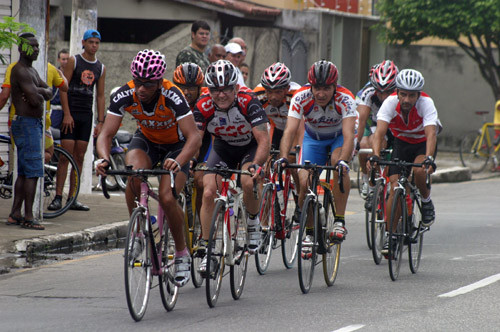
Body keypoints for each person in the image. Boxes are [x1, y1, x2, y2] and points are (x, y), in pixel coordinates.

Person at [96, 49, 201, 287]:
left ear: (159, 81)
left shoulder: (173, 95)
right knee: (133, 174)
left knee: (166, 196)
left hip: (177, 146)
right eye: (138, 82)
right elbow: (106, 133)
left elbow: (194, 137)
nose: (141, 89)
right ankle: (139, 233)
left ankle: (182, 254)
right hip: (147, 141)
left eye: (148, 84)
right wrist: (102, 158)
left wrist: (179, 160)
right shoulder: (125, 93)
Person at [193, 60, 270, 273]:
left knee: (247, 180)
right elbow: (196, 140)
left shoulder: (248, 101)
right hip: (223, 147)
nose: (221, 94)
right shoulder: (203, 105)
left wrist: (256, 165)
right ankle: (209, 252)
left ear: (235, 87)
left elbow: (264, 140)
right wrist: (192, 161)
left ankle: (253, 223)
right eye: (215, 89)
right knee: (208, 192)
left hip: (249, 146)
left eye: (226, 88)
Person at [278, 60, 356, 245]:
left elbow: (348, 135)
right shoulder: (301, 97)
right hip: (313, 139)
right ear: (310, 86)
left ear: (334, 86)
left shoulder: (345, 98)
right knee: (304, 182)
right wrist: (282, 157)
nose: (321, 93)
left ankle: (339, 221)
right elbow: (289, 131)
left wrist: (344, 161)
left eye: (326, 88)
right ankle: (310, 233)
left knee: (339, 164)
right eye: (317, 88)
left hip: (338, 138)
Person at [368, 69, 440, 256]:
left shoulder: (426, 103)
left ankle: (426, 202)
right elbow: (379, 133)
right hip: (401, 143)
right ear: (397, 92)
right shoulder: (390, 103)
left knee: (418, 171)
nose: (407, 99)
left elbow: (431, 133)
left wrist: (430, 158)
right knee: (394, 188)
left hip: (422, 144)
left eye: (412, 95)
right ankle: (391, 235)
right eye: (404, 94)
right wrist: (375, 155)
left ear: (418, 95)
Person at [49, 29, 106, 212]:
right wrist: (66, 113)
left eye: (97, 43)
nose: (94, 46)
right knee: (66, 154)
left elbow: (100, 95)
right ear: (84, 42)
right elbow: (64, 88)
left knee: (80, 156)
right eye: (91, 42)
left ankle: (73, 198)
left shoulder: (101, 67)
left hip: (86, 115)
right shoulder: (74, 60)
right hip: (71, 112)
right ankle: (58, 196)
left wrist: (100, 120)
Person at [7, 33, 52, 230]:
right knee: (33, 172)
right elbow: (35, 100)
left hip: (31, 125)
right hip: (26, 125)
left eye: (37, 46)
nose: (36, 50)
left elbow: (49, 92)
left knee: (25, 172)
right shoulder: (21, 71)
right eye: (32, 47)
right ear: (21, 49)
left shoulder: (31, 71)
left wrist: (38, 91)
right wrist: (38, 92)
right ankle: (28, 216)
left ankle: (15, 213)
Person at [1, 61, 68, 163]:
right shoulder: (49, 67)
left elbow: (5, 96)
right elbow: (65, 86)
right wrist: (61, 73)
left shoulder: (13, 68)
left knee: (23, 157)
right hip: (41, 120)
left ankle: (31, 169)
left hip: (18, 119)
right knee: (45, 153)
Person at [172, 63, 210, 219]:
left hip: (205, 141)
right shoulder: (171, 97)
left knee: (201, 181)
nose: (186, 92)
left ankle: (202, 225)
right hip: (182, 141)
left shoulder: (206, 99)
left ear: (200, 88)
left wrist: (195, 160)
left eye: (191, 88)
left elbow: (200, 137)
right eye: (182, 88)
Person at [356, 60, 398, 199]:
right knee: (364, 145)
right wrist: (354, 145)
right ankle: (367, 178)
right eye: (380, 92)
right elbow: (361, 121)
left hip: (397, 126)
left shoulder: (403, 93)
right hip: (376, 124)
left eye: (389, 91)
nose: (384, 97)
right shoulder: (367, 93)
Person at [50, 48, 70, 129]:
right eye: (63, 59)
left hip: (69, 111)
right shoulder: (55, 73)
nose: (65, 61)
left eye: (67, 59)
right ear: (58, 60)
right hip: (56, 111)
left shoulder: (74, 74)